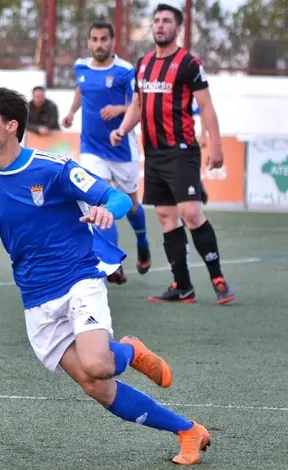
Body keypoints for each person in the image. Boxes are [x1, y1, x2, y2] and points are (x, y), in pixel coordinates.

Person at [0, 87, 211, 466]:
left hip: (78, 279)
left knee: (99, 363)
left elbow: (117, 197)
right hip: (35, 298)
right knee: (97, 387)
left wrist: (108, 212)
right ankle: (188, 430)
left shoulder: (52, 169)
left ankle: (130, 350)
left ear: (11, 126)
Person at [110, 4, 234, 304]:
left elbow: (206, 107)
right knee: (166, 216)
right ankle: (182, 285)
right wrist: (123, 129)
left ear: (177, 27)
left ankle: (218, 279)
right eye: (156, 20)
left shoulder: (190, 63)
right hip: (153, 153)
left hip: (182, 151)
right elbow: (138, 106)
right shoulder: (143, 64)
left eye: (167, 21)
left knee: (190, 212)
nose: (160, 25)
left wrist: (216, 145)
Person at [62, 21, 151, 279]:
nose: (99, 44)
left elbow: (138, 103)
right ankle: (112, 263)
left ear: (113, 42)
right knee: (99, 201)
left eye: (104, 39)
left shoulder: (125, 71)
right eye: (94, 39)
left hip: (122, 149)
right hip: (91, 147)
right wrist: (71, 112)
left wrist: (119, 110)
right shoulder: (80, 67)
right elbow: (82, 89)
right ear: (89, 42)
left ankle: (142, 242)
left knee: (131, 204)